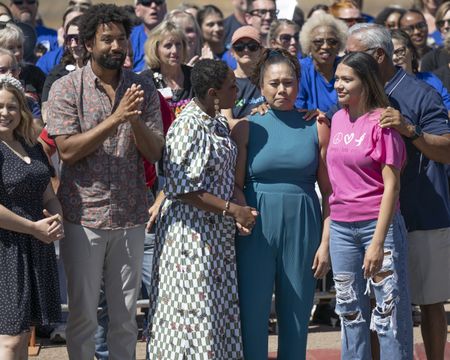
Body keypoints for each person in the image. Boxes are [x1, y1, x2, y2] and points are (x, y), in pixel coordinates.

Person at [46, 4, 164, 359]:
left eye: (121, 39)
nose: (116, 46)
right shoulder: (67, 88)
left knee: (126, 319)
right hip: (83, 219)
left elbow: (155, 151)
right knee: (82, 317)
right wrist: (116, 118)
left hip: (130, 217)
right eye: (107, 39)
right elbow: (66, 150)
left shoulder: (142, 88)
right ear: (86, 44)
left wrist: (134, 119)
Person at [345, 23, 450, 360]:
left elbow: (446, 149)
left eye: (353, 53)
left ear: (379, 55)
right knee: (378, 303)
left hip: (422, 213)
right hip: (372, 220)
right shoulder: (354, 94)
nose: (346, 59)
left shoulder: (421, 94)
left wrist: (410, 129)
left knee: (431, 301)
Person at [147, 58, 257, 359]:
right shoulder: (188, 126)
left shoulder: (217, 121)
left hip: (214, 237)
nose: (237, 92)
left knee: (215, 315)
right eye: (231, 87)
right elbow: (183, 189)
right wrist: (233, 210)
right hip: (190, 239)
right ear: (212, 93)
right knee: (192, 318)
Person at [232, 48, 331, 359]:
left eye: (288, 82)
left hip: (303, 224)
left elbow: (329, 192)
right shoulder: (246, 126)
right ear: (260, 85)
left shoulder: (317, 125)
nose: (281, 90)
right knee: (252, 313)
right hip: (256, 226)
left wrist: (326, 241)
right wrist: (240, 213)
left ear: (298, 83)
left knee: (297, 315)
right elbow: (235, 185)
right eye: (273, 83)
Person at [327, 51, 412, 359]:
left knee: (389, 315)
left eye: (347, 79)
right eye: (337, 78)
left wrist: (376, 242)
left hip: (379, 229)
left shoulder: (383, 122)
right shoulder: (335, 119)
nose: (338, 84)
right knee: (350, 315)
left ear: (366, 83)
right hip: (340, 229)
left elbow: (393, 186)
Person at [0, 76, 63, 359]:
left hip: (36, 245)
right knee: (10, 340)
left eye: (11, 106)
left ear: (22, 110)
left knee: (24, 335)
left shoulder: (32, 144)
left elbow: (47, 193)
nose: (5, 113)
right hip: (6, 249)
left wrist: (57, 218)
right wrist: (33, 227)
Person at [297, 12, 347, 113]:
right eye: (318, 41)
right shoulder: (300, 69)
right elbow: (297, 108)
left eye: (332, 41)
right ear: (308, 45)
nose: (325, 46)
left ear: (339, 45)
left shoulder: (347, 68)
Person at [142, 20, 193, 117]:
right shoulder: (146, 81)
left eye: (178, 44)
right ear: (156, 48)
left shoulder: (194, 76)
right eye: (168, 46)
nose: (174, 51)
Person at [391, 29, 450, 111]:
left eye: (400, 51)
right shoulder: (382, 89)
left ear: (411, 52)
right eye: (389, 53)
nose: (394, 58)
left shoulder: (430, 80)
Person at [222, 25, 264, 122]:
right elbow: (227, 121)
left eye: (252, 46)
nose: (246, 50)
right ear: (231, 52)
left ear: (261, 51)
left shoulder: (268, 79)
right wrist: (255, 120)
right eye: (239, 46)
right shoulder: (225, 81)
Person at [0, 21, 45, 101]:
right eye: (10, 48)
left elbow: (45, 102)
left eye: (20, 46)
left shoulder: (35, 73)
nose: (17, 52)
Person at [131, 0, 167, 72]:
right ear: (137, 10)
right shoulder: (129, 36)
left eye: (158, 1)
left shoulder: (176, 36)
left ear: (165, 8)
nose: (153, 6)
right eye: (146, 2)